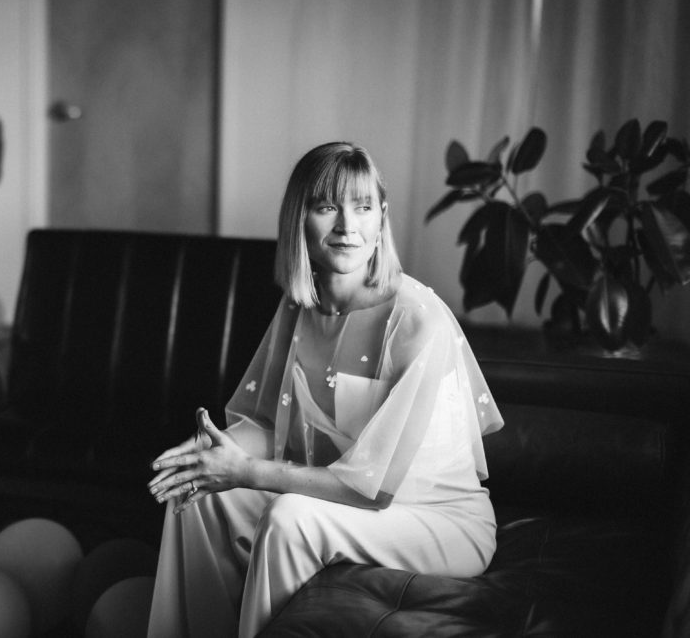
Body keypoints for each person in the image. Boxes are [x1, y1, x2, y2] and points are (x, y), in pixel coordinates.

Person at [146, 142, 504, 637]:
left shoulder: (418, 321)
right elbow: (268, 422)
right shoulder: (301, 304)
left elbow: (373, 490)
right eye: (326, 207)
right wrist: (214, 455)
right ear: (300, 219)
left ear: (382, 219)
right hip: (346, 496)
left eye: (362, 207)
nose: (346, 227)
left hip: (438, 521)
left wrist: (248, 472)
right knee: (198, 496)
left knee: (292, 517)